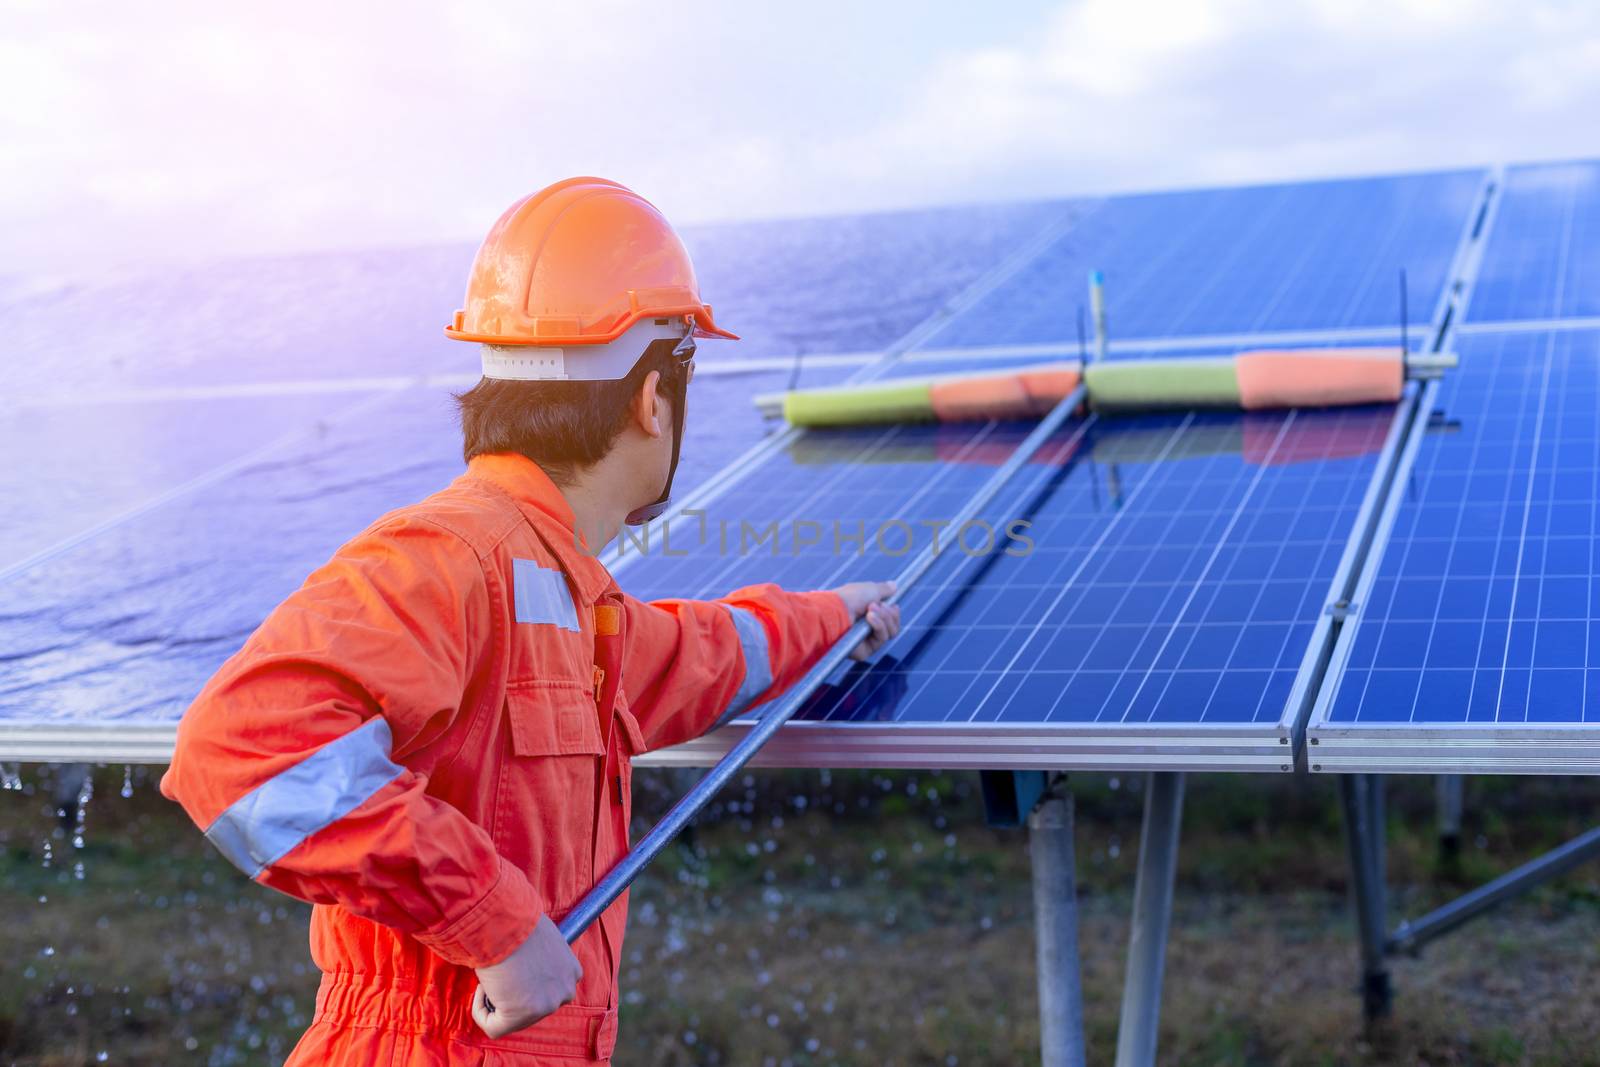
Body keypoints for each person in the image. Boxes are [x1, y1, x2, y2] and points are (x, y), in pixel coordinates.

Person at [161, 177, 901, 1065]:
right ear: (651, 399)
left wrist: (830, 618)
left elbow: (695, 656)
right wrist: (495, 922)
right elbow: (240, 748)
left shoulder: (565, 597)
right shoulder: (451, 553)